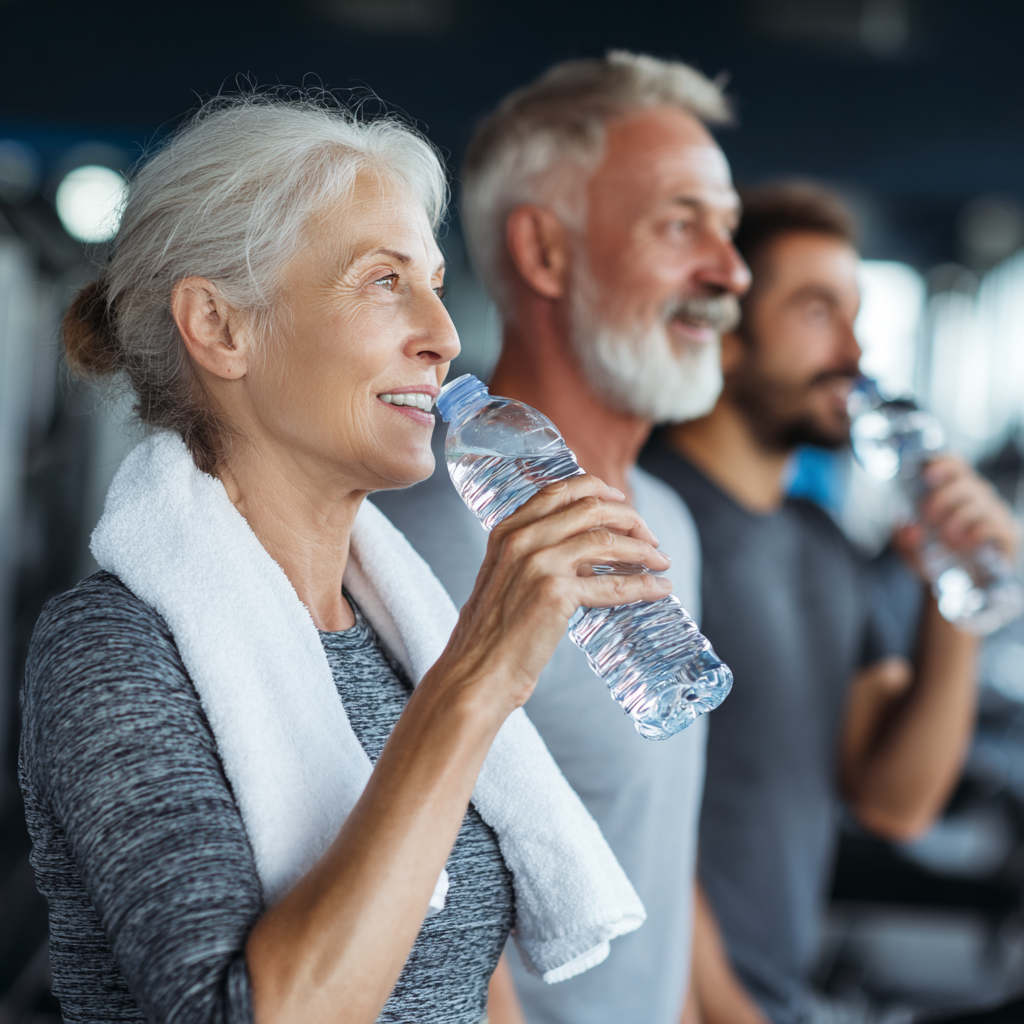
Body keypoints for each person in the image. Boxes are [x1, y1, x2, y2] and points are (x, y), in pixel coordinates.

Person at [18, 93, 675, 1024]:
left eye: (436, 283)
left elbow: (467, 986)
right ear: (219, 327)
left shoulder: (400, 628)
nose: (444, 336)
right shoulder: (112, 649)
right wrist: (479, 679)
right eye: (381, 280)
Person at [372, 51, 750, 1024]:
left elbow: (649, 843)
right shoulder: (422, 549)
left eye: (729, 229)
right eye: (681, 224)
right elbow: (432, 915)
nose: (729, 270)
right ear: (544, 252)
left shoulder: (662, 519)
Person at [640, 181, 1020, 1024]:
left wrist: (951, 588)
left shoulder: (819, 539)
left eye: (855, 315)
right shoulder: (645, 518)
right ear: (724, 336)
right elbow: (624, 815)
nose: (854, 351)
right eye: (817, 311)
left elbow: (894, 801)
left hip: (781, 996)